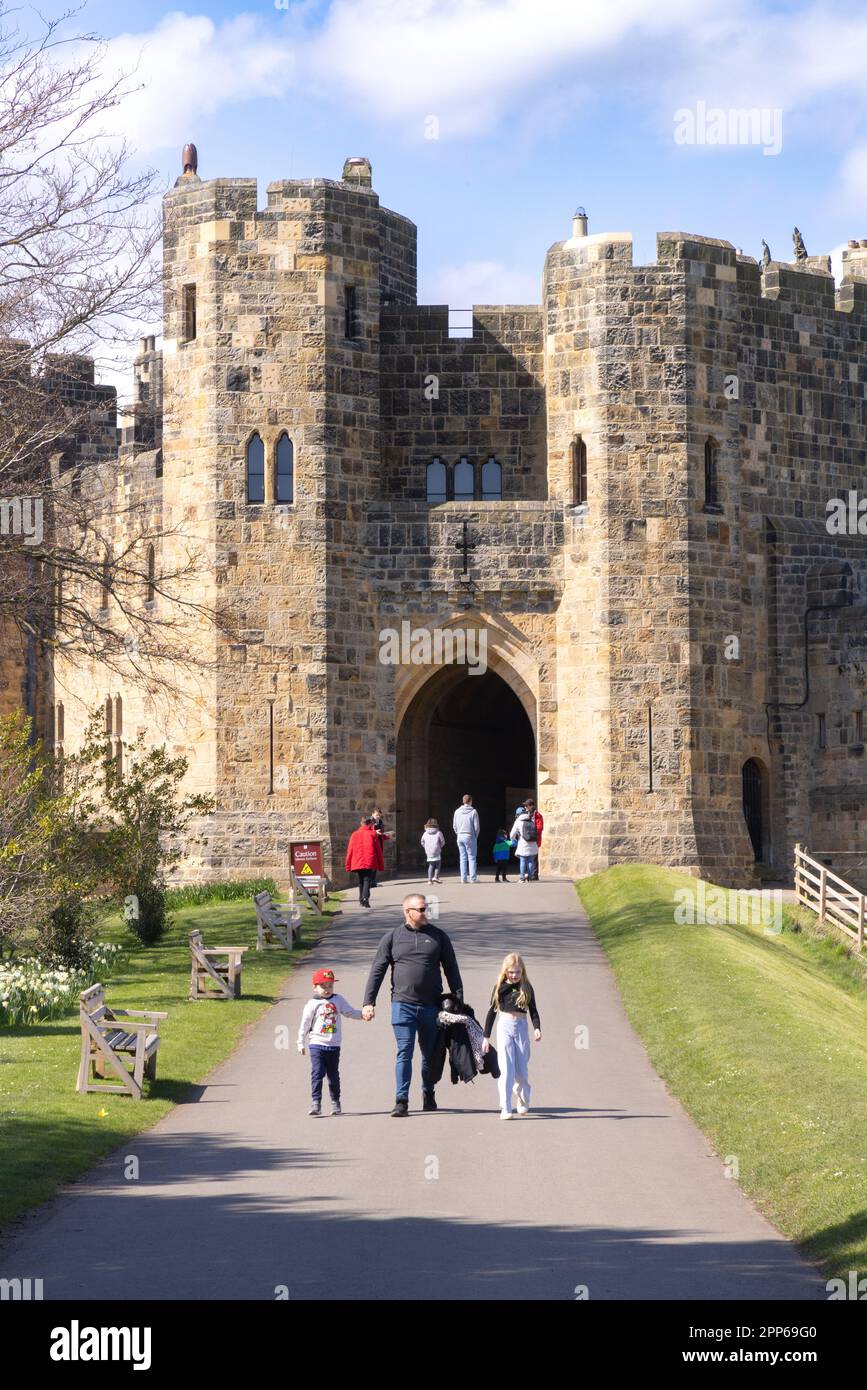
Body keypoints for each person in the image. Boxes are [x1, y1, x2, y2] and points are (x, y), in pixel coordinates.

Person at [362, 893, 464, 1116]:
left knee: (429, 1054)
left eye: (426, 908)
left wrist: (459, 1000)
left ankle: (428, 1091)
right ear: (408, 912)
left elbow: (451, 968)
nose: (426, 912)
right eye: (421, 909)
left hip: (431, 1007)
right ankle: (402, 1100)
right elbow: (377, 970)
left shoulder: (438, 937)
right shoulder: (392, 938)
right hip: (402, 1005)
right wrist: (368, 1002)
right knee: (404, 1052)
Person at [297, 967, 367, 1116]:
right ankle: (316, 1103)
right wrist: (300, 1042)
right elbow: (305, 1024)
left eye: (330, 985)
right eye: (323, 986)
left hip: (334, 1046)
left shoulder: (338, 1000)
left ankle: (336, 1102)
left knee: (333, 1075)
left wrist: (362, 1015)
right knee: (317, 1073)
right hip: (317, 1044)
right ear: (314, 988)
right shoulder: (312, 1004)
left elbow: (349, 1012)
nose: (327, 989)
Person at [482, 952, 541, 1119]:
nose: (514, 975)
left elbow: (534, 1011)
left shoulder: (527, 987)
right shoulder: (499, 988)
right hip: (504, 1028)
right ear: (505, 971)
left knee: (521, 1070)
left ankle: (522, 1097)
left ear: (522, 971)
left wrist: (537, 1028)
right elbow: (491, 1013)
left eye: (518, 972)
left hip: (521, 1027)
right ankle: (505, 1106)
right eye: (511, 972)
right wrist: (486, 1037)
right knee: (506, 1069)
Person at [344, 815, 383, 907]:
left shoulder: (354, 834)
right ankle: (365, 898)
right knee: (367, 880)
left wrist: (348, 864)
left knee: (361, 880)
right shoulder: (372, 834)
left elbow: (350, 850)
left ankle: (361, 899)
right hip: (369, 860)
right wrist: (380, 863)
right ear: (369, 824)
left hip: (357, 861)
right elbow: (378, 850)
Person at [452, 793, 480, 883]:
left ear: (463, 801)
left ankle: (463, 878)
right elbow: (476, 827)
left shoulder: (457, 811)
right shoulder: (473, 811)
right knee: (472, 857)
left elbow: (454, 826)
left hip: (460, 836)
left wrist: (458, 833)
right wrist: (475, 836)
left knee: (462, 858)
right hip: (470, 835)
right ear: (470, 801)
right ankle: (473, 878)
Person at [509, 804, 538, 882]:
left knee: (523, 860)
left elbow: (512, 834)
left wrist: (513, 840)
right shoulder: (531, 820)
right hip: (532, 843)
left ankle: (522, 878)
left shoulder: (518, 821)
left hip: (523, 843)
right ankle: (529, 877)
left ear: (517, 814)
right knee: (530, 861)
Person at [524, 799, 544, 880]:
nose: (525, 807)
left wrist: (533, 833)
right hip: (528, 838)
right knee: (528, 856)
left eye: (527, 806)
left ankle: (534, 875)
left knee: (534, 857)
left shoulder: (537, 814)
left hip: (534, 838)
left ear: (531, 805)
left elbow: (540, 827)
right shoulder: (527, 814)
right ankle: (529, 873)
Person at [369, 807, 389, 888]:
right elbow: (366, 832)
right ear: (372, 814)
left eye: (379, 815)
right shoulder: (369, 821)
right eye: (377, 815)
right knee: (372, 864)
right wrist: (374, 832)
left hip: (379, 843)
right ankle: (370, 882)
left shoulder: (380, 821)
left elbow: (382, 832)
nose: (378, 817)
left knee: (376, 864)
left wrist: (387, 835)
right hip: (372, 844)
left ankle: (373, 882)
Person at [421, 818, 445, 884]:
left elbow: (422, 842)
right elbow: (442, 841)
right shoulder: (438, 832)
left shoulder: (425, 833)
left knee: (431, 865)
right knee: (438, 864)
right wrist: (440, 847)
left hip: (428, 851)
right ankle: (436, 877)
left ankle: (429, 880)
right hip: (437, 850)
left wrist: (426, 847)